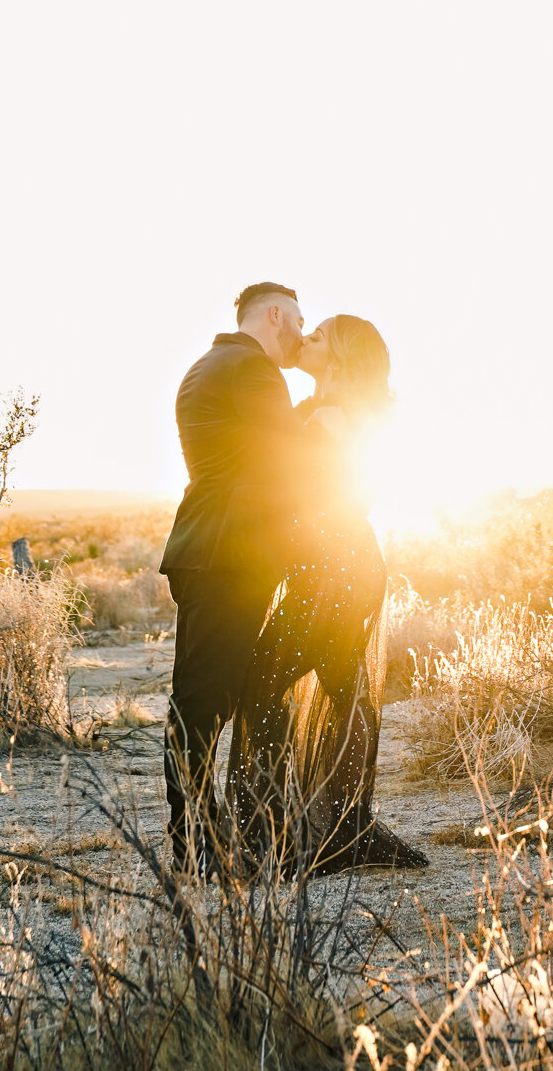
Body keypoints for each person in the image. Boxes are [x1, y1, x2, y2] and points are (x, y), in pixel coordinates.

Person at [158, 280, 343, 869]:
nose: (300, 332)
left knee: (205, 699)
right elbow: (292, 457)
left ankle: (211, 833)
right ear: (272, 316)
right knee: (203, 703)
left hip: (205, 549)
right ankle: (194, 843)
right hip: (228, 558)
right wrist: (330, 409)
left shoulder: (210, 364)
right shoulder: (254, 371)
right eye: (297, 320)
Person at [235, 313, 428, 871]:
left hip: (337, 571)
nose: (305, 339)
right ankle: (342, 827)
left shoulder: (338, 417)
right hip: (326, 568)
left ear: (339, 359)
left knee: (266, 687)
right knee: (342, 688)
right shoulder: (322, 412)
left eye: (316, 336)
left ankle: (288, 830)